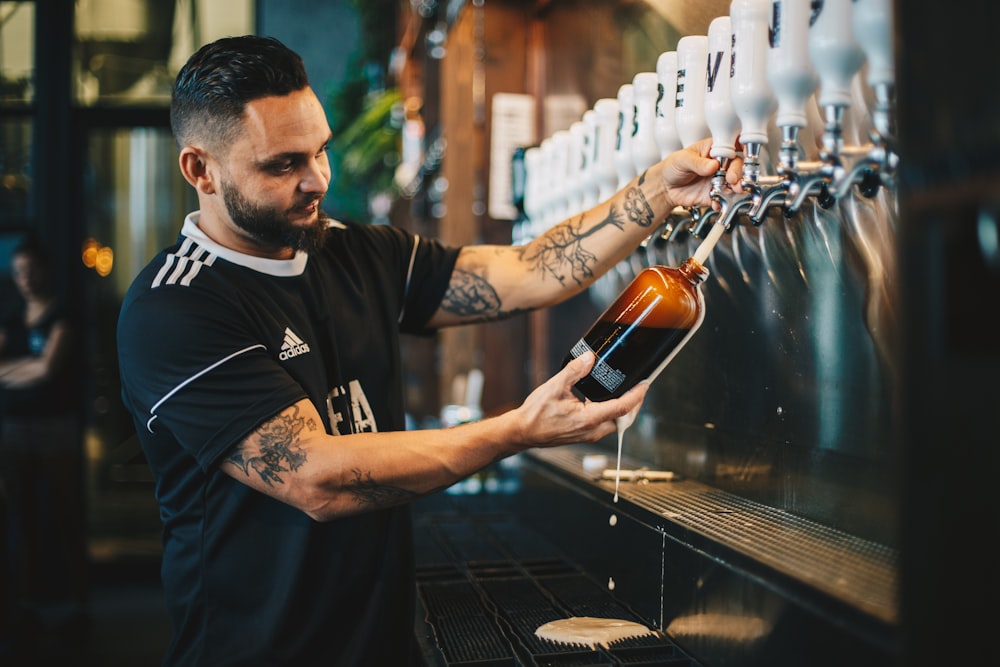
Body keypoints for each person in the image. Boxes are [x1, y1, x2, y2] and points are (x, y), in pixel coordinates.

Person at [116, 35, 742, 666]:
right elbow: (317, 479)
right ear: (201, 170)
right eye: (282, 165)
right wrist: (516, 431)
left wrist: (659, 191)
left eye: (322, 151)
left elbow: (530, 271)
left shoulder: (355, 252)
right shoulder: (176, 308)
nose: (317, 180)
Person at [0, 233, 88, 658]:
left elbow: (47, 370)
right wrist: (26, 368)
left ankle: (76, 605)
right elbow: (30, 368)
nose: (25, 278)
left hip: (56, 429)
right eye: (18, 271)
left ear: (45, 269)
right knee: (21, 521)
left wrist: (15, 370)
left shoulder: (62, 315)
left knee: (65, 514)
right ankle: (24, 606)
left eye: (31, 269)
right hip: (14, 431)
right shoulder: (11, 318)